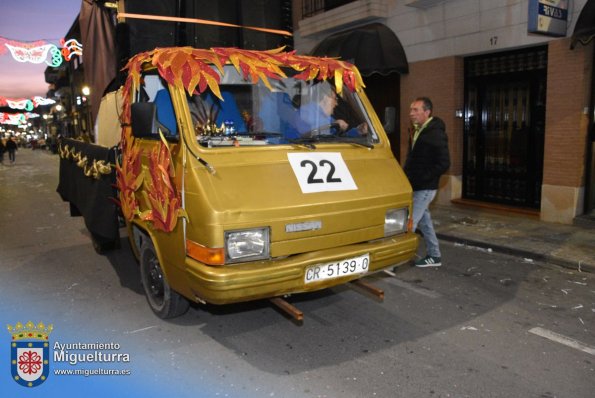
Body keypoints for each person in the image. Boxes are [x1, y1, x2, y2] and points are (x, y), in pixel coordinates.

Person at [403, 97, 450, 267]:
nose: (411, 113)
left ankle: (394, 261)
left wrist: (424, 178)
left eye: (415, 110)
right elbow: (413, 158)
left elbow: (444, 163)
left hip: (425, 187)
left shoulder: (435, 133)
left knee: (409, 224)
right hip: (415, 185)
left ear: (427, 112)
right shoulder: (418, 130)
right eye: (411, 110)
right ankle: (434, 256)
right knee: (425, 222)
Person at [291, 84, 367, 140]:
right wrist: (332, 125)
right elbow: (306, 137)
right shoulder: (303, 113)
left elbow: (336, 139)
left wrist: (356, 131)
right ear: (325, 97)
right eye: (335, 99)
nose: (336, 104)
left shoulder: (328, 118)